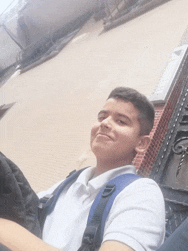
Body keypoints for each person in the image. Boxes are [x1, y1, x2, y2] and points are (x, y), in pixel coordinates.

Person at [0, 87, 165, 251]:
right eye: (102, 117)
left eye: (121, 121)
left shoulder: (142, 193)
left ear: (141, 143)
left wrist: (7, 230)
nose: (105, 123)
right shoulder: (66, 184)